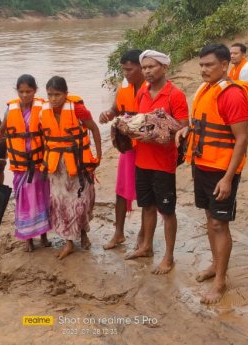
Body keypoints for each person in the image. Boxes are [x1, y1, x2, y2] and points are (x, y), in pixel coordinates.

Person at [176, 44, 248, 304]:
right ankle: (214, 265)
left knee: (220, 224)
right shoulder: (205, 89)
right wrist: (186, 131)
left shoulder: (232, 94)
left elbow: (241, 140)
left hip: (222, 171)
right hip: (201, 165)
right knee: (210, 219)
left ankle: (220, 281)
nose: (203, 69)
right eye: (201, 65)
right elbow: (200, 122)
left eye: (209, 65)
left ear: (225, 65)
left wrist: (227, 178)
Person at [124, 50, 189, 275]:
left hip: (163, 163)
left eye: (152, 66)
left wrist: (156, 136)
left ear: (164, 67)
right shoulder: (142, 91)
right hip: (142, 159)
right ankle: (146, 247)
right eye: (144, 67)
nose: (147, 71)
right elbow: (135, 119)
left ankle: (169, 256)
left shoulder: (175, 95)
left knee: (167, 210)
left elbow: (183, 129)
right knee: (147, 206)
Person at [0, 75, 51, 252]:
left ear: (35, 90)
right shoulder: (10, 110)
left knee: (42, 199)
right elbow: (1, 131)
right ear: (17, 91)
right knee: (24, 201)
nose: (24, 95)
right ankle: (28, 238)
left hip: (39, 165)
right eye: (21, 91)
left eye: (28, 91)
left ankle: (43, 235)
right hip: (20, 167)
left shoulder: (43, 108)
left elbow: (51, 134)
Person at [41, 76, 102, 260]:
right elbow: (45, 139)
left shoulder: (77, 109)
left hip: (77, 164)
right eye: (50, 95)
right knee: (60, 203)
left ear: (66, 94)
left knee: (81, 201)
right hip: (57, 168)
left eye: (57, 95)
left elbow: (95, 129)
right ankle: (69, 242)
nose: (53, 99)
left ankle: (82, 232)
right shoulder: (43, 111)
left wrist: (98, 156)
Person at [98, 49, 146, 250]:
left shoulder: (151, 87)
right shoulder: (123, 88)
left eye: (129, 69)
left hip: (146, 147)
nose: (126, 73)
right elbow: (116, 108)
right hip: (127, 147)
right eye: (124, 70)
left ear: (142, 68)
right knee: (121, 191)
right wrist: (108, 113)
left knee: (145, 193)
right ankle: (119, 233)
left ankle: (144, 234)